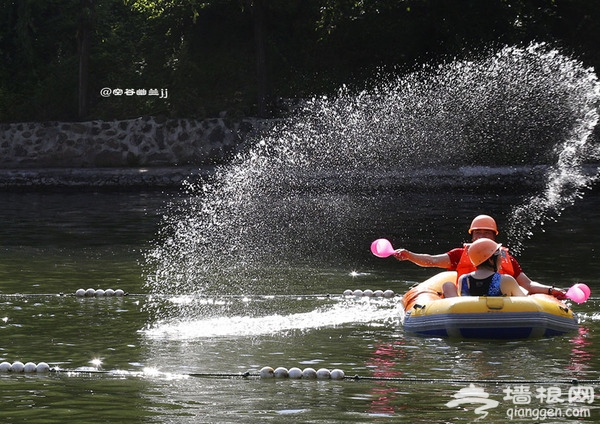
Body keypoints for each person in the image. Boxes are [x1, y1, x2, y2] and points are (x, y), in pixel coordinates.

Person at [393, 214, 567, 299]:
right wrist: (410, 256)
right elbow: (431, 260)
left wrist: (551, 290)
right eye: (478, 233)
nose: (482, 236)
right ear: (472, 236)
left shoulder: (507, 257)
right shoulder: (460, 254)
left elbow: (528, 284)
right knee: (447, 284)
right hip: (467, 301)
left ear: (494, 236)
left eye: (487, 233)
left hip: (488, 302)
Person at [442, 238, 526, 298]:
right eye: (499, 255)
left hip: (469, 320)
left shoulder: (463, 280)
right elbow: (525, 304)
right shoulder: (506, 280)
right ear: (490, 260)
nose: (501, 259)